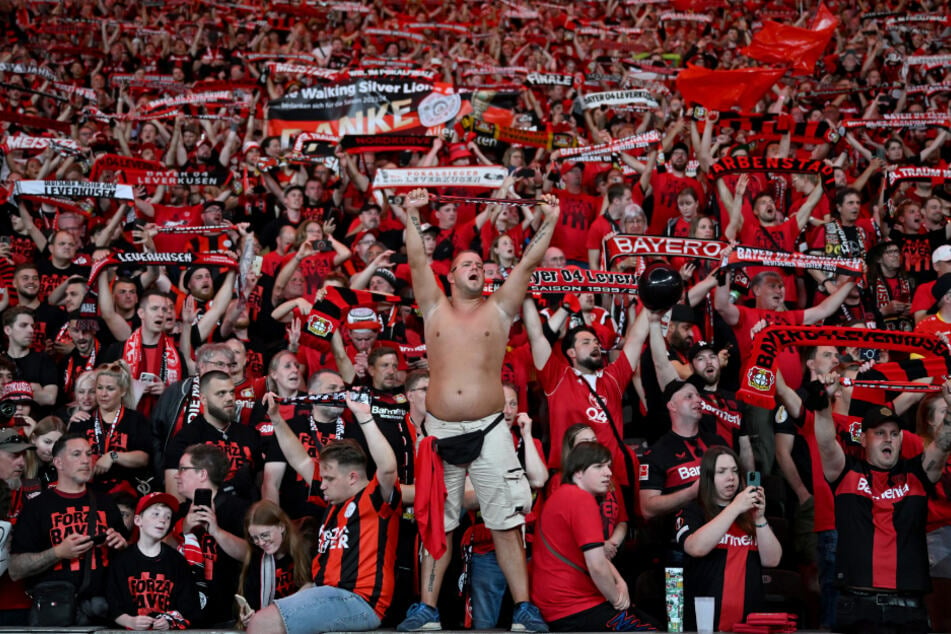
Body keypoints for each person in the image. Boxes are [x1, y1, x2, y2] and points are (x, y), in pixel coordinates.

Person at [396, 187, 559, 633]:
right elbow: (414, 259)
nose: (476, 269)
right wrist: (412, 211)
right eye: (467, 265)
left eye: (481, 266)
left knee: (505, 523)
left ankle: (524, 610)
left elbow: (527, 262)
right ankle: (427, 611)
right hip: (442, 432)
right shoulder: (432, 308)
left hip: (489, 430)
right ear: (449, 276)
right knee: (436, 524)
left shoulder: (500, 309)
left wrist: (550, 219)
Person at [246, 391, 400, 634]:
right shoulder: (333, 501)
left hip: (359, 601)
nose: (322, 484)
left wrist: (364, 417)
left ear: (352, 477)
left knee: (261, 624)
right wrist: (276, 419)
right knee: (259, 617)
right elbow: (300, 460)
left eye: (328, 478)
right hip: (327, 593)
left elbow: (388, 468)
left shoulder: (374, 498)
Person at [814, 376, 951, 634]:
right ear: (863, 439)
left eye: (894, 434)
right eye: (879, 433)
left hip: (909, 609)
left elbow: (943, 444)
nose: (888, 439)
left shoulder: (918, 475)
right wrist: (822, 405)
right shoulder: (845, 473)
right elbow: (825, 442)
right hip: (856, 607)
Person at [532, 441, 656, 631]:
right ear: (578, 472)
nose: (608, 473)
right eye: (599, 466)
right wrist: (617, 599)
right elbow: (597, 565)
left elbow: (595, 556)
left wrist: (619, 581)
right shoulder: (581, 500)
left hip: (558, 605)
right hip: (574, 607)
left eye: (608, 466)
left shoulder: (563, 495)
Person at [9, 434, 128, 625]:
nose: (85, 460)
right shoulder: (36, 507)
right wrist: (58, 552)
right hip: (53, 613)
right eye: (76, 454)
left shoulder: (106, 502)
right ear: (58, 462)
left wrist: (121, 547)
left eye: (89, 454)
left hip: (102, 612)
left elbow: (129, 562)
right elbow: (15, 569)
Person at [676, 446, 782, 631]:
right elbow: (695, 547)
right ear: (708, 477)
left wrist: (760, 518)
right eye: (721, 471)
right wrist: (734, 507)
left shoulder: (750, 514)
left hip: (749, 625)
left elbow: (772, 560)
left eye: (734, 471)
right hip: (702, 625)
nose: (730, 477)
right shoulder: (693, 511)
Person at [173, 442, 250, 627]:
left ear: (202, 474)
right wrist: (184, 528)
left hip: (226, 611)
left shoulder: (238, 508)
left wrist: (216, 531)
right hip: (185, 611)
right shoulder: (179, 510)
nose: (177, 475)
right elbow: (160, 553)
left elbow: (250, 553)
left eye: (183, 469)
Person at [106, 491, 201, 630]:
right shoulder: (121, 561)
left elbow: (188, 605)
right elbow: (111, 603)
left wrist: (170, 621)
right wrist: (129, 621)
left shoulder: (177, 561)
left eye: (167, 517)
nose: (162, 520)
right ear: (138, 520)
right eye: (155, 514)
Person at [236, 500, 311, 627]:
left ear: (281, 526)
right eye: (255, 538)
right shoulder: (257, 558)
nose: (260, 542)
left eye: (265, 535)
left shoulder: (305, 550)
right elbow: (252, 603)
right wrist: (248, 618)